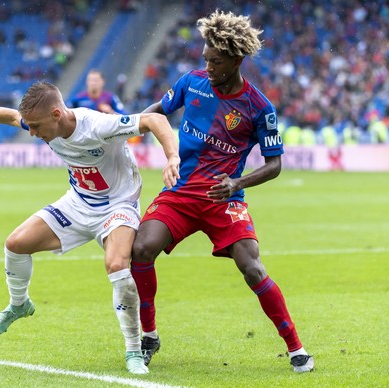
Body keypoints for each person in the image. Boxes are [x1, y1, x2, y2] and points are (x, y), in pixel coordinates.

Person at [0, 81, 180, 375]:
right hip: (78, 203)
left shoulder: (97, 125)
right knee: (16, 244)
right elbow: (10, 116)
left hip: (117, 205)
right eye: (29, 126)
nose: (31, 132)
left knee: (117, 263)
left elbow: (155, 119)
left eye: (35, 126)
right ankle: (19, 305)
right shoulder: (43, 122)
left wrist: (172, 156)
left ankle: (134, 350)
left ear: (57, 114)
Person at [130, 10, 314, 373]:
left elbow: (275, 164)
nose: (208, 66)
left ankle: (296, 348)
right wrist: (125, 130)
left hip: (224, 198)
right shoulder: (191, 83)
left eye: (216, 61)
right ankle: (148, 336)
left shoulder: (260, 108)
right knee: (141, 248)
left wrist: (238, 183)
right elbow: (154, 113)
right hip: (181, 194)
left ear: (236, 59)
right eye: (206, 59)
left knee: (253, 268)